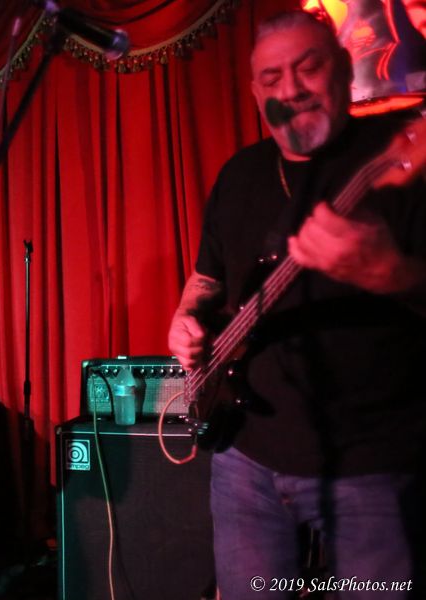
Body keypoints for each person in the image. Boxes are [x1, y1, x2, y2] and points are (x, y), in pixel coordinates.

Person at [167, 11, 426, 599]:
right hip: (246, 461)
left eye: (309, 68)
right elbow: (206, 281)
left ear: (343, 69)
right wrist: (184, 320)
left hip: (372, 464)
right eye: (272, 77)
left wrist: (391, 273)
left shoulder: (393, 156)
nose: (291, 89)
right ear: (254, 91)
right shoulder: (239, 175)